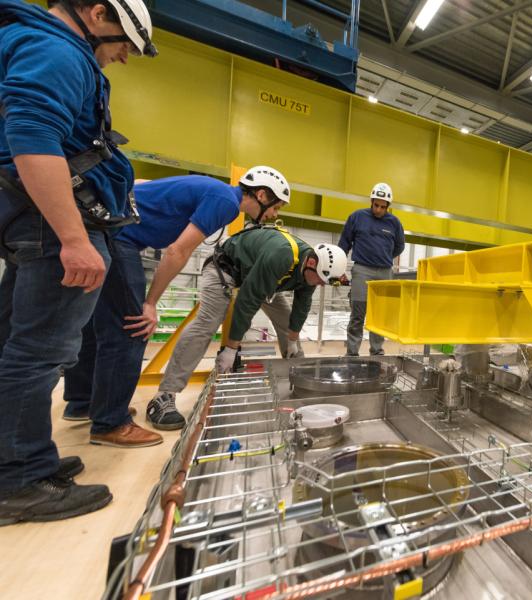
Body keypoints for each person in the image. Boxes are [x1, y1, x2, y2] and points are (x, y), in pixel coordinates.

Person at [0, 0, 156, 525]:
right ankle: (19, 479)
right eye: (124, 45)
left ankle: (20, 457)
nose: (125, 58)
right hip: (50, 223)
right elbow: (33, 135)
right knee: (39, 353)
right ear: (96, 14)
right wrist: (72, 236)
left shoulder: (32, 41)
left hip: (31, 218)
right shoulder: (58, 51)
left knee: (17, 346)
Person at [62, 166, 291, 444]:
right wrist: (151, 302)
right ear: (262, 194)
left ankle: (84, 402)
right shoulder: (227, 203)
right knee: (134, 328)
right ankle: (110, 421)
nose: (274, 215)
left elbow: (144, 184)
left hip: (108, 232)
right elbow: (177, 250)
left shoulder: (212, 188)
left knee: (98, 324)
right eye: (276, 207)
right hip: (120, 240)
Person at [147, 227, 347, 428]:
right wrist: (231, 349)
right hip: (225, 267)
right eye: (321, 280)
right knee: (207, 323)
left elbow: (301, 307)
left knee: (287, 326)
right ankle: (164, 395)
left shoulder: (312, 270)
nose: (321, 285)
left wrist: (293, 341)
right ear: (311, 263)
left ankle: (299, 382)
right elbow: (247, 301)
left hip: (262, 277)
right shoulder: (281, 256)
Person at [339, 182, 405, 356]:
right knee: (358, 313)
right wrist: (338, 269)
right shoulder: (357, 217)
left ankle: (377, 351)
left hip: (384, 272)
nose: (378, 210)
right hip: (362, 270)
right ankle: (352, 353)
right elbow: (344, 243)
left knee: (380, 316)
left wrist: (383, 257)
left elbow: (399, 247)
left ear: (388, 207)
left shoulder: (394, 223)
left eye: (383, 207)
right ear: (371, 201)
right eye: (376, 205)